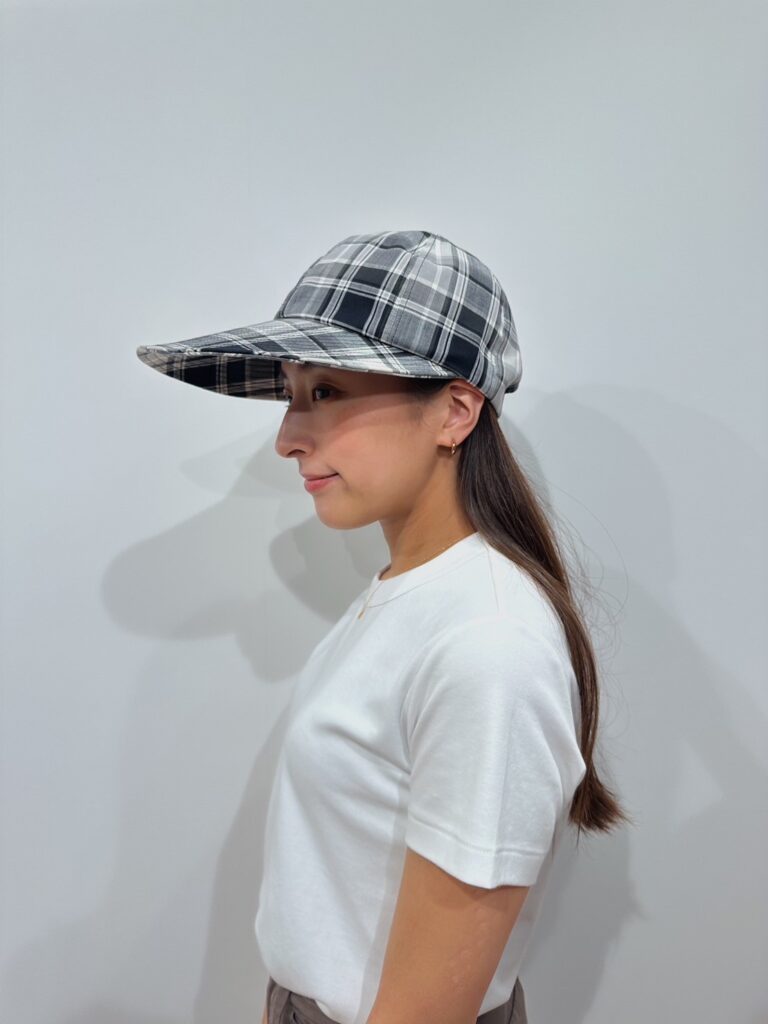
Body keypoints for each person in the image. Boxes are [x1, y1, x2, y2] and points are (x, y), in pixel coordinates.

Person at [136, 229, 632, 1024]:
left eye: (327, 392)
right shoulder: (415, 594)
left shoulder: (487, 644)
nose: (287, 437)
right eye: (293, 394)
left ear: (456, 411)